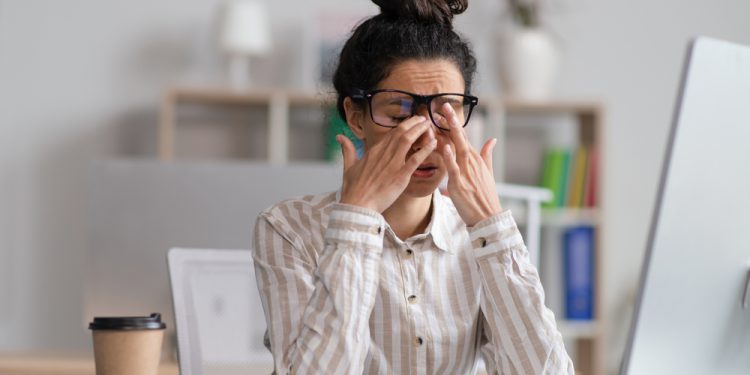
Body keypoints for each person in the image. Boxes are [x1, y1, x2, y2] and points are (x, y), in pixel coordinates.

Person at [253, 0, 575, 373]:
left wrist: (493, 228)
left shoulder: (478, 238)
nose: (426, 140)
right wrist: (356, 223)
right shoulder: (289, 227)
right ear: (356, 117)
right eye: (399, 114)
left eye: (446, 113)